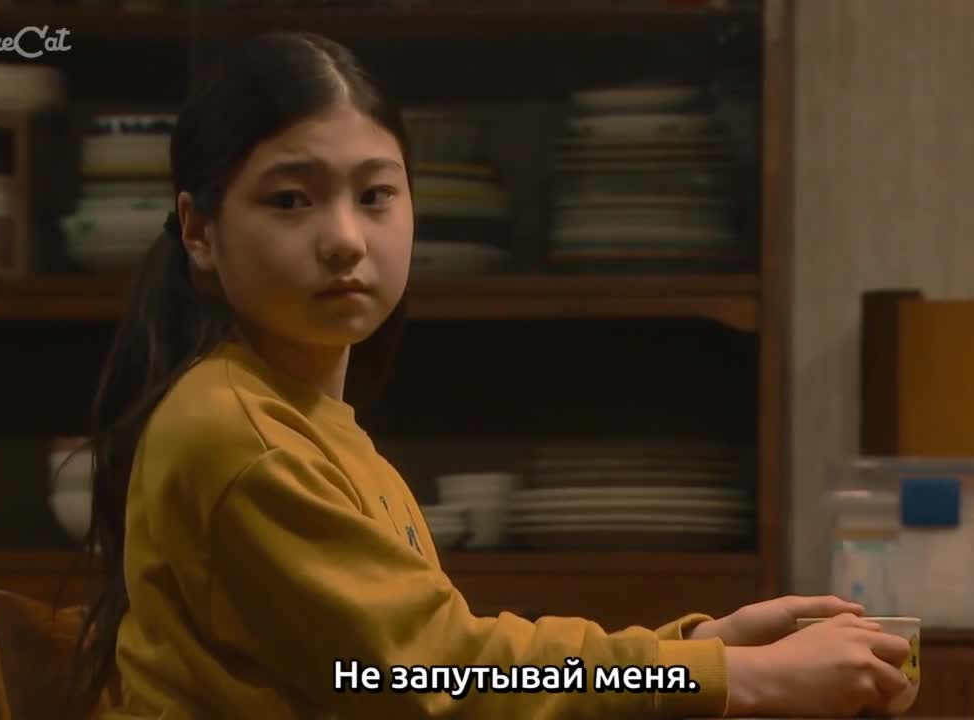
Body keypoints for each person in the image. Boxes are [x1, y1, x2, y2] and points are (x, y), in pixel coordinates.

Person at [69, 31, 911, 719]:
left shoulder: (293, 420)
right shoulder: (240, 437)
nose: (345, 239)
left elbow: (444, 662)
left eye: (376, 195)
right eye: (291, 199)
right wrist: (732, 678)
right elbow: (431, 678)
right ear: (199, 231)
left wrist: (699, 648)